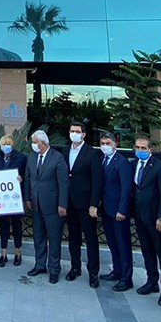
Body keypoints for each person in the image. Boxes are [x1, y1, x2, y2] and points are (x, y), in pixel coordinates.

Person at [23, 130, 69, 284]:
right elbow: (28, 178)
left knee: (54, 239)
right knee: (39, 237)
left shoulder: (57, 158)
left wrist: (62, 204)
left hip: (53, 206)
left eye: (35, 142)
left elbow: (63, 183)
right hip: (36, 205)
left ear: (43, 143)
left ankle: (54, 269)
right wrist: (27, 198)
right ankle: (40, 264)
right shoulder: (32, 156)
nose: (33, 145)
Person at [132, 136, 161, 306]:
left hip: (155, 218)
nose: (140, 150)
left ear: (150, 150)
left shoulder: (160, 168)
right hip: (140, 216)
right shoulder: (134, 164)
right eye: (137, 147)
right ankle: (152, 281)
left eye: (143, 148)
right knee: (147, 250)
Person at [62, 122, 103, 288]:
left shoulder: (92, 153)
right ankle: (75, 267)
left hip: (86, 204)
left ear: (84, 134)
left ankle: (93, 272)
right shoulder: (66, 150)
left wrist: (94, 204)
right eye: (72, 131)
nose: (74, 134)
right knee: (73, 237)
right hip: (70, 202)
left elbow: (97, 181)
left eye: (77, 131)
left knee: (91, 238)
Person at [97, 133, 134, 292]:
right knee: (112, 242)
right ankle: (117, 270)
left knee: (123, 244)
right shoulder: (102, 160)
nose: (105, 146)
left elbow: (126, 188)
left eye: (108, 143)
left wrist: (122, 210)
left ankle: (126, 278)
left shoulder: (122, 162)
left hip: (118, 210)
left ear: (115, 144)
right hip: (106, 209)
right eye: (102, 143)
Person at [0, 134, 27, 267]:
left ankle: (18, 253)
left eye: (8, 144)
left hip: (16, 198)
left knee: (17, 225)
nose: (6, 146)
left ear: (12, 145)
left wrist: (21, 178)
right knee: (4, 225)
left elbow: (26, 175)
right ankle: (3, 254)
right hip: (2, 198)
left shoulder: (21, 157)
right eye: (4, 144)